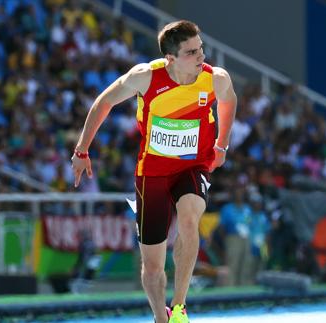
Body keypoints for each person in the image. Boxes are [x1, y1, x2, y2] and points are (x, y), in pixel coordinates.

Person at [71, 20, 237, 323]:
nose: (201, 56)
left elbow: (229, 100)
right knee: (152, 265)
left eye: (201, 49)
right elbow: (103, 102)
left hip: (193, 165)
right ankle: (161, 317)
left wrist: (221, 145)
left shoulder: (215, 79)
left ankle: (179, 306)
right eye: (191, 52)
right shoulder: (145, 77)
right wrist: (82, 150)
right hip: (153, 173)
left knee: (189, 220)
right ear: (170, 58)